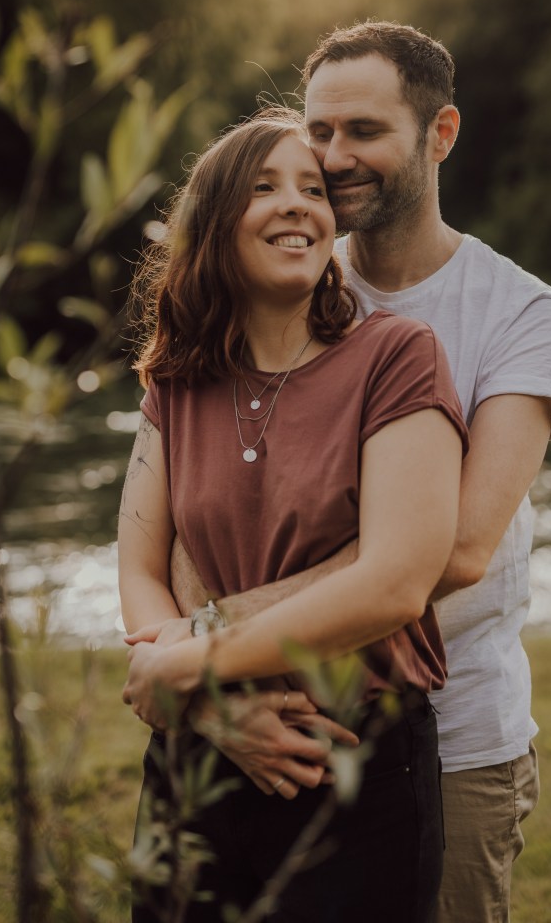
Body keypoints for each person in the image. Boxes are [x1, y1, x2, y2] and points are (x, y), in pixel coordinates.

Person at [170, 22, 551, 922]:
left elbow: (459, 551)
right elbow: (197, 497)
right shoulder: (284, 270)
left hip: (451, 737)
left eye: (364, 131)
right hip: (257, 716)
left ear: (440, 135)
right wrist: (213, 694)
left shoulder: (520, 313)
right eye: (319, 131)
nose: (334, 156)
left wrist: (204, 640)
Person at [119, 106, 468, 922]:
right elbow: (139, 568)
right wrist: (211, 709)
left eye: (312, 190)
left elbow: (396, 582)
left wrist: (194, 665)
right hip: (198, 754)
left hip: (350, 760)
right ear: (212, 223)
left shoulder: (397, 355)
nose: (298, 205)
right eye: (265, 187)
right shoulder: (174, 381)